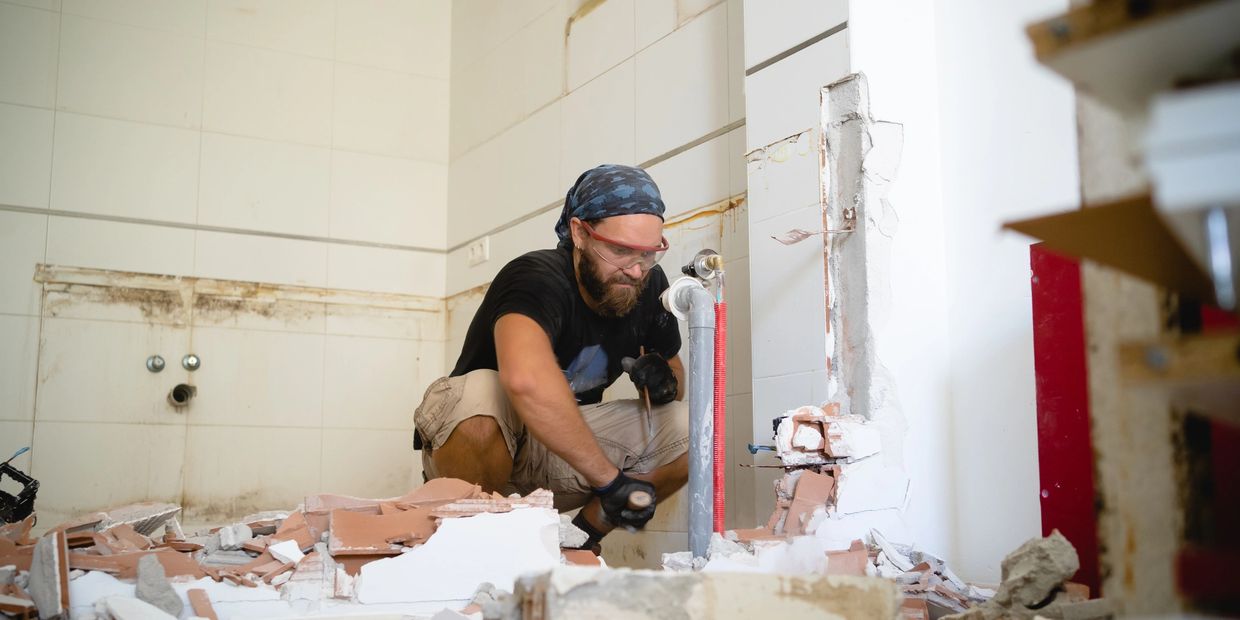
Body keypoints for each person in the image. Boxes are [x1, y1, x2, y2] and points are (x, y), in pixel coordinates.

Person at [414, 164, 689, 551]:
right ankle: (473, 543)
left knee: (688, 427)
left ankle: (578, 543)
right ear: (579, 233)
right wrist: (610, 481)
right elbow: (524, 380)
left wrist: (665, 383)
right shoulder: (536, 277)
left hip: (561, 455)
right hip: (485, 446)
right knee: (480, 391)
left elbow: (675, 389)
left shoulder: (648, 284)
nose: (635, 270)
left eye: (648, 254)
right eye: (620, 251)